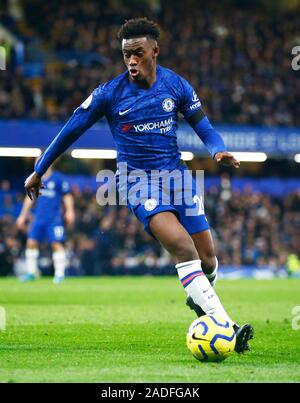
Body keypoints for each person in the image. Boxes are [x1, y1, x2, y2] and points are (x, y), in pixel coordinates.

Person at [24, 18, 253, 352]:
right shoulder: (109, 94)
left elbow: (204, 126)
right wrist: (40, 169)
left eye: (138, 53)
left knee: (208, 261)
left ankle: (200, 300)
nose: (131, 60)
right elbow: (70, 130)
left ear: (154, 51)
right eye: (126, 54)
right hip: (137, 182)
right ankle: (227, 327)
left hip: (178, 179)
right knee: (183, 249)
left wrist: (217, 150)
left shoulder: (176, 85)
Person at [17, 165, 75, 283]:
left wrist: (70, 211)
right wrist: (23, 215)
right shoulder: (35, 178)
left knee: (56, 244)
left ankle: (59, 275)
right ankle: (32, 273)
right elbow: (30, 197)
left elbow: (67, 196)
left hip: (54, 219)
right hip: (39, 218)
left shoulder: (59, 179)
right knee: (31, 242)